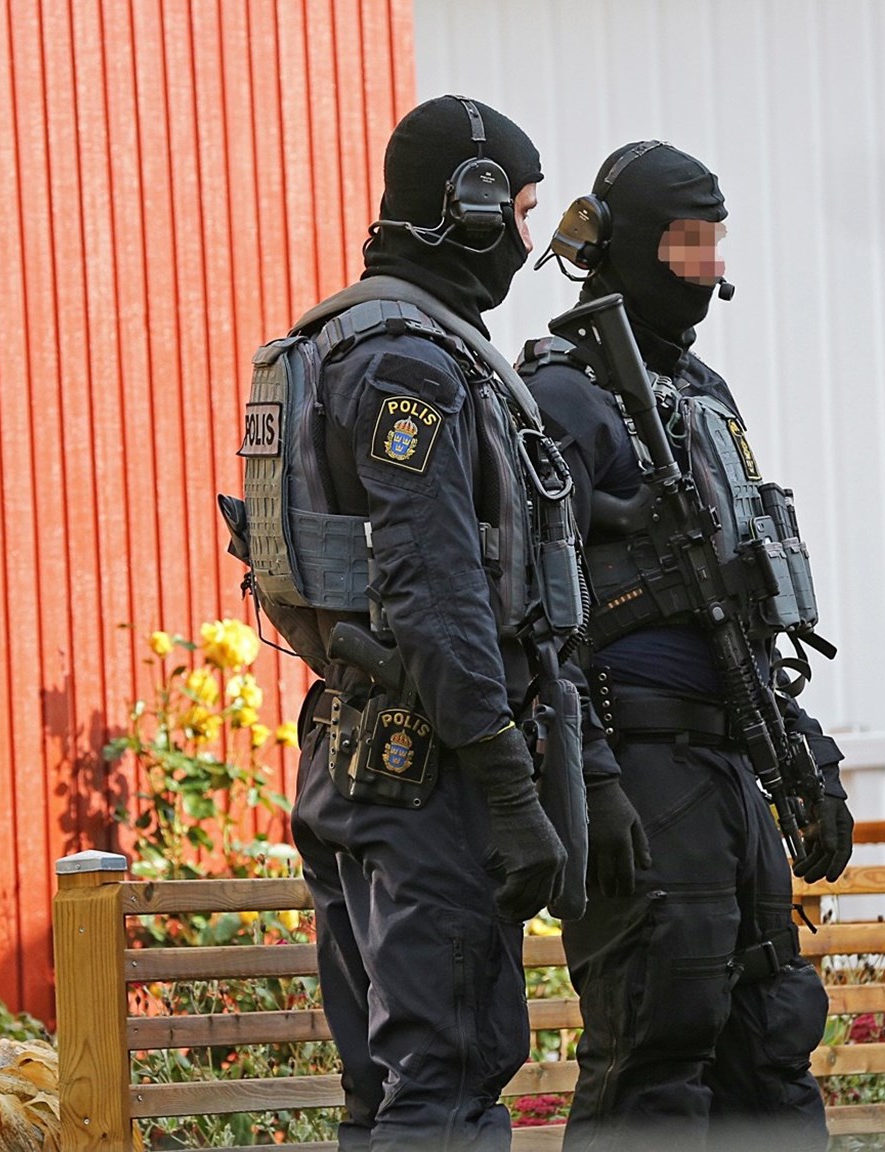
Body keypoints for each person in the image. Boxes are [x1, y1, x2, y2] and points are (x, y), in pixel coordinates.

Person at [230, 94, 581, 1150]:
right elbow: (437, 595)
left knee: (378, 1091)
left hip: (351, 757)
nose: (525, 237)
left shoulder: (340, 342)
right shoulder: (410, 365)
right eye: (518, 208)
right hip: (429, 777)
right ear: (464, 204)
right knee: (445, 1076)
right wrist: (512, 789)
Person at [517, 140, 853, 1151]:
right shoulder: (564, 397)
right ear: (620, 246)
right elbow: (537, 618)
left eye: (713, 240)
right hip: (640, 763)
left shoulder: (700, 395)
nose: (705, 263)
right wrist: (590, 778)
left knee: (769, 1036)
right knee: (657, 1042)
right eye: (682, 239)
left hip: (727, 763)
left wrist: (805, 758)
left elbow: (739, 599)